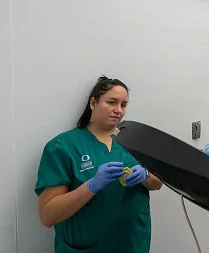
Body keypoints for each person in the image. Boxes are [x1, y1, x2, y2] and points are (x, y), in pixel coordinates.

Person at [34, 76, 163, 253]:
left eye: (123, 105)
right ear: (93, 104)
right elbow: (48, 216)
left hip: (133, 243)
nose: (118, 110)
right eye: (111, 102)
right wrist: (91, 186)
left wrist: (146, 177)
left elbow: (158, 183)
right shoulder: (63, 146)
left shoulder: (135, 143)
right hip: (88, 247)